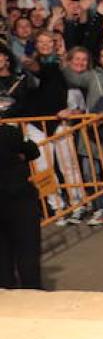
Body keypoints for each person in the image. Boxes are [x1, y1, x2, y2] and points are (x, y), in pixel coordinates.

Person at [0, 118, 43, 289]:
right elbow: (33, 150)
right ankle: (31, 291)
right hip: (18, 198)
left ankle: (6, 292)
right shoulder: (9, 132)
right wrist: (19, 155)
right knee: (27, 250)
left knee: (2, 254)